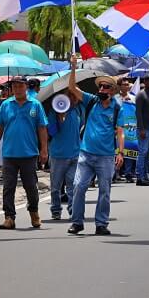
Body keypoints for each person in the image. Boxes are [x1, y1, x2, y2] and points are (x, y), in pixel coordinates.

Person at [66, 57, 125, 235]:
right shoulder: (91, 101)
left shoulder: (117, 108)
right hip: (86, 154)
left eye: (106, 87)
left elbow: (120, 131)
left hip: (106, 157)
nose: (102, 89)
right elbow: (72, 88)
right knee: (78, 186)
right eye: (101, 86)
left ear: (113, 91)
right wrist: (74, 68)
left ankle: (101, 223)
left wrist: (120, 152)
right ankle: (77, 222)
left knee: (104, 191)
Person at [0, 76, 48, 230]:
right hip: (9, 153)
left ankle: (34, 211)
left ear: (25, 87)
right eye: (14, 86)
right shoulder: (6, 105)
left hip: (29, 153)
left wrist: (44, 149)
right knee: (8, 187)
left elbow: (42, 128)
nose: (17, 89)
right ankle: (9, 217)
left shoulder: (35, 105)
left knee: (31, 186)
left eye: (20, 86)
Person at [46, 82, 83, 220]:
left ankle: (73, 210)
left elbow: (81, 128)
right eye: (70, 95)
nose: (73, 99)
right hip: (58, 155)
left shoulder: (78, 110)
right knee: (55, 187)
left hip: (75, 154)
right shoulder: (53, 112)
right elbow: (52, 132)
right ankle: (56, 209)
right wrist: (59, 117)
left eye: (75, 96)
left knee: (73, 186)